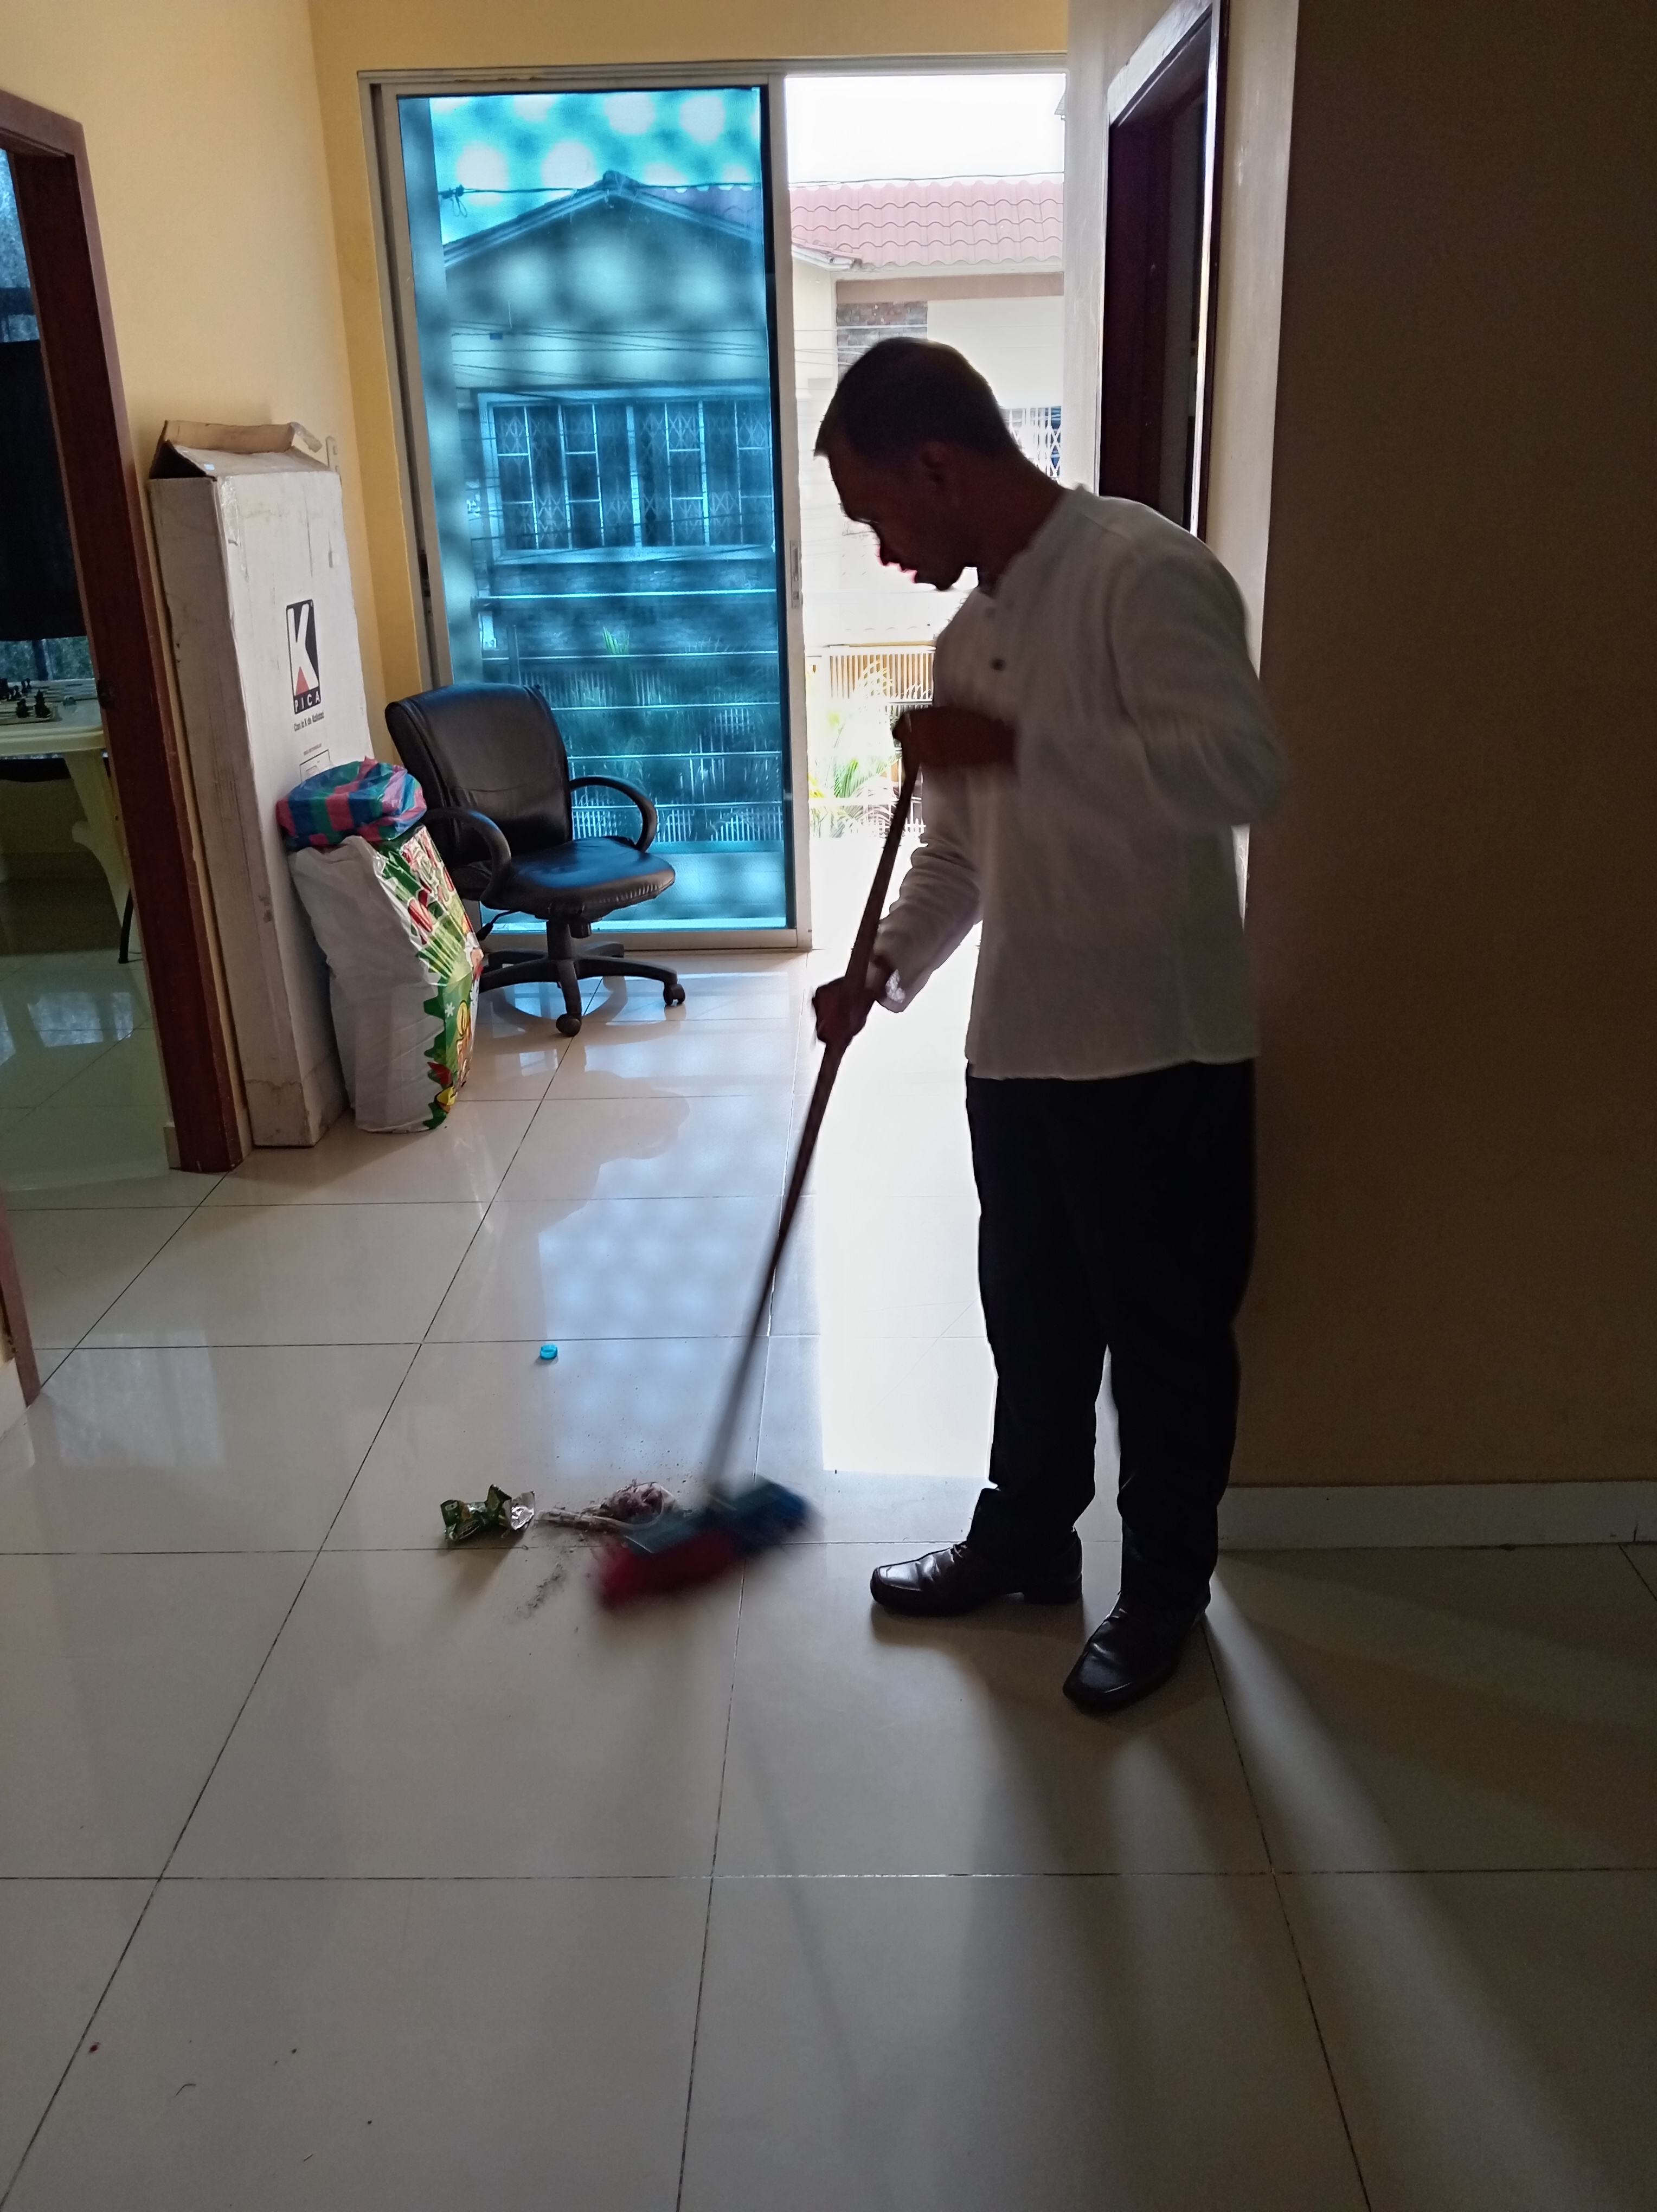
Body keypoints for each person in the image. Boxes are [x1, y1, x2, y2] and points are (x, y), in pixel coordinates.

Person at [812, 339, 1288, 1714]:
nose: (886, 553)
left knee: (1166, 1346)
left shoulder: (1146, 573)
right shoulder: (966, 641)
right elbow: (959, 854)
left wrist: (1021, 749)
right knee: (1030, 1323)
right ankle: (1025, 1539)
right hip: (1018, 1049)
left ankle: (1163, 1593)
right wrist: (881, 965)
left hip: (1163, 1052)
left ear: (937, 466)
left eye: (878, 516)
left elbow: (1242, 771)